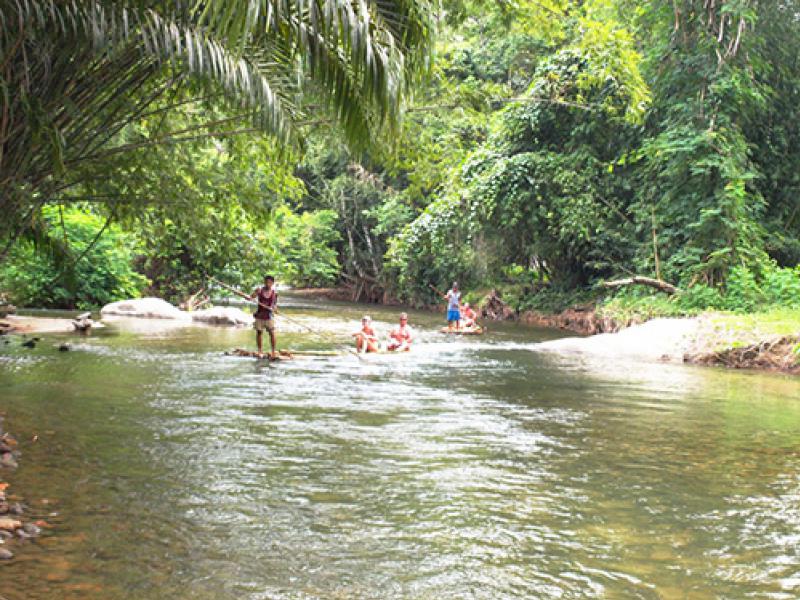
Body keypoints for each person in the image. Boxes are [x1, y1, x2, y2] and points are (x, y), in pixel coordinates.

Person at [249, 275, 278, 358]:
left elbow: (275, 304)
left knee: (272, 333)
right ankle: (260, 351)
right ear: (264, 282)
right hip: (260, 315)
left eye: (270, 282)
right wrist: (253, 294)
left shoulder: (275, 293)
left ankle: (273, 351)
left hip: (269, 316)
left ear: (272, 283)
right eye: (266, 282)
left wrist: (274, 309)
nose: (268, 284)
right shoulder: (259, 290)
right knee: (259, 332)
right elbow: (251, 297)